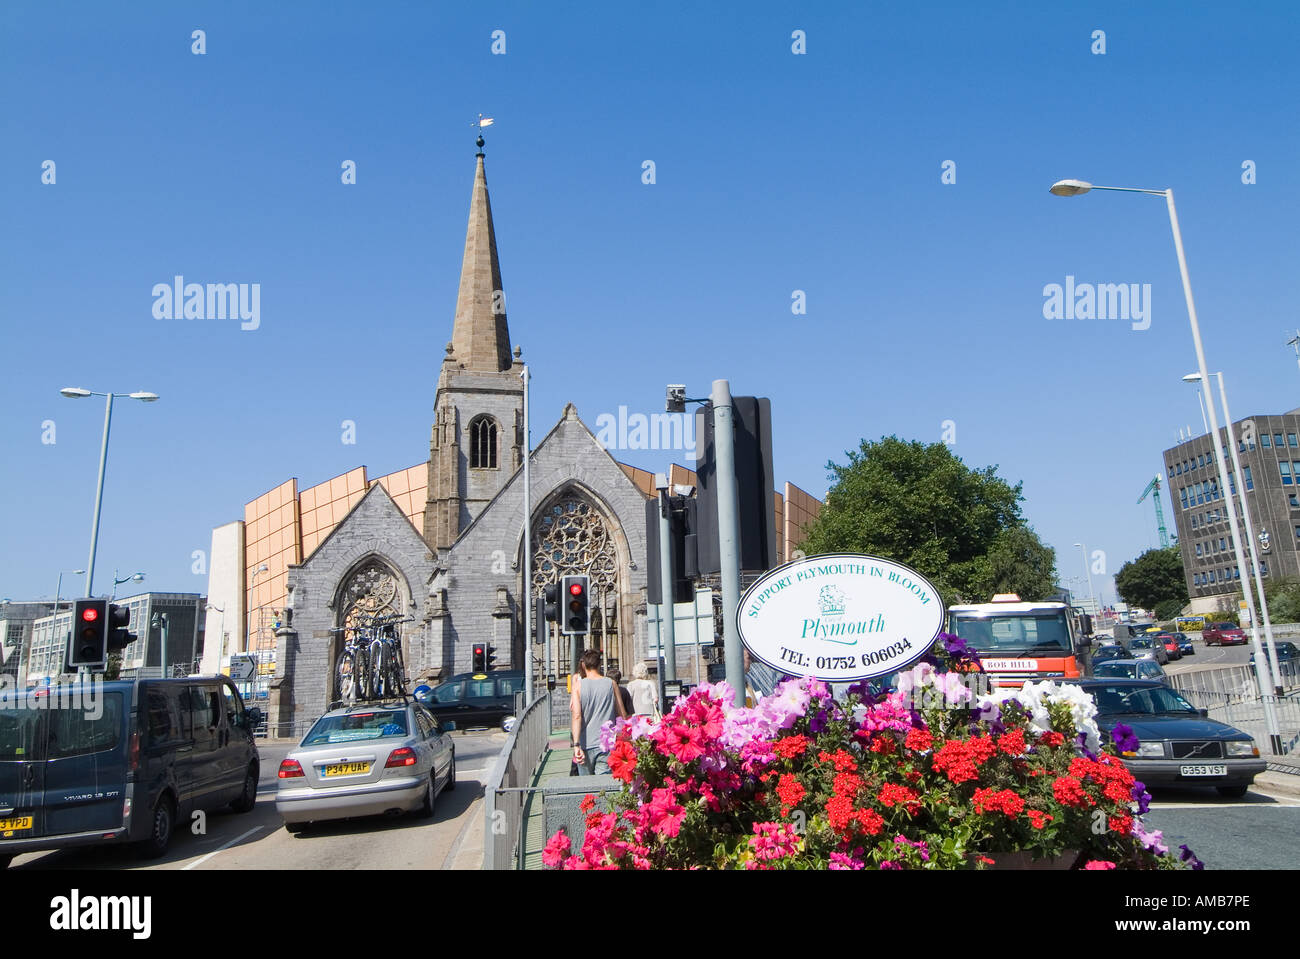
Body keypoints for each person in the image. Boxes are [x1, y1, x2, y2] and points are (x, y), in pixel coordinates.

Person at [571, 648, 628, 775]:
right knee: (603, 787)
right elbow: (622, 715)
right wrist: (623, 738)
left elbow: (576, 716)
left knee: (586, 788)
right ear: (599, 664)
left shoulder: (578, 686)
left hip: (585, 743)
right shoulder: (611, 683)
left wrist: (576, 744)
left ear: (583, 665)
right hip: (606, 743)